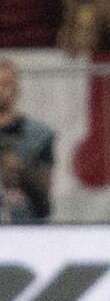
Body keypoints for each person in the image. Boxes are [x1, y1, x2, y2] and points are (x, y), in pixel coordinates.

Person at [0, 58, 56, 222]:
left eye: (7, 84)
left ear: (17, 89)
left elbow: (44, 199)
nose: (3, 91)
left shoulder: (39, 135)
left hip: (25, 229)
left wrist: (23, 172)